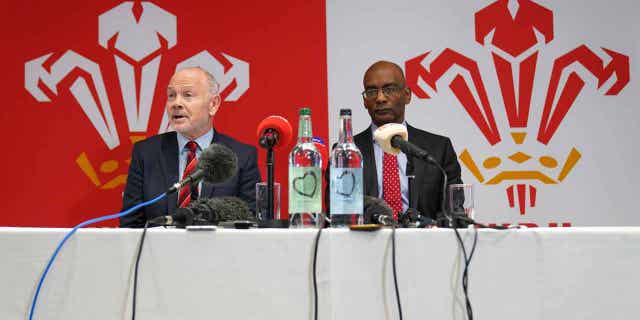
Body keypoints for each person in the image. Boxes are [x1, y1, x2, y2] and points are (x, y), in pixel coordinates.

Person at [120, 67, 261, 228]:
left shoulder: (241, 156)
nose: (176, 103)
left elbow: (251, 224)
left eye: (187, 95)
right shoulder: (146, 153)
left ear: (213, 104)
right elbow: (130, 225)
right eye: (171, 96)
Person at [354, 60, 463, 221]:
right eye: (371, 92)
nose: (380, 98)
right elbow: (338, 209)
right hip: (366, 241)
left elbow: (453, 212)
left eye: (389, 89)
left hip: (426, 243)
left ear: (407, 95)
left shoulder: (438, 150)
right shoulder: (347, 153)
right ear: (364, 101)